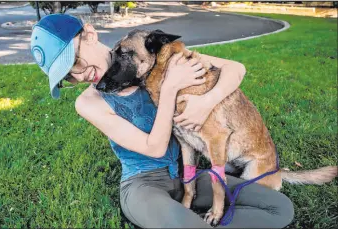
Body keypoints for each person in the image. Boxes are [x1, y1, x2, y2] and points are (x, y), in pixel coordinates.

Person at [30, 14, 294, 228]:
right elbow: (154, 148)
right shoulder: (88, 102)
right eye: (69, 76)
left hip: (186, 176)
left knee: (279, 208)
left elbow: (236, 69)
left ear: (89, 34)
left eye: (75, 61)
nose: (80, 75)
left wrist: (205, 102)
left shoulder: (150, 54)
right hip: (144, 186)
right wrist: (170, 88)